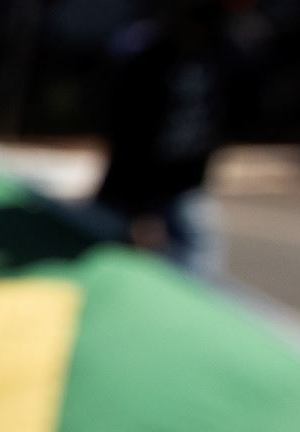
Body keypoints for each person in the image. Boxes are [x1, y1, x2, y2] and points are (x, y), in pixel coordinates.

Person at [94, 0, 234, 276]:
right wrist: (141, 207)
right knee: (99, 253)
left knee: (199, 262)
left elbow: (223, 119)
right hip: (130, 186)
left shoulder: (220, 58)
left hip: (184, 184)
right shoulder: (148, 61)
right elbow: (125, 129)